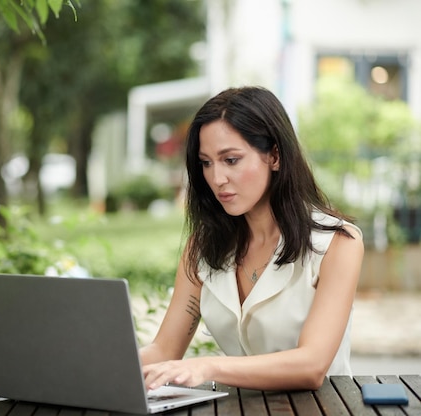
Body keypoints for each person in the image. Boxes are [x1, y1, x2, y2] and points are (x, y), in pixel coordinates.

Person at [139, 86, 364, 391]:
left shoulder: (337, 243)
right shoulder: (203, 248)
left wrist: (208, 366)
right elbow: (164, 350)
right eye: (206, 163)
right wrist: (92, 367)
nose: (217, 178)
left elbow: (311, 365)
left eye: (230, 160)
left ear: (274, 156)